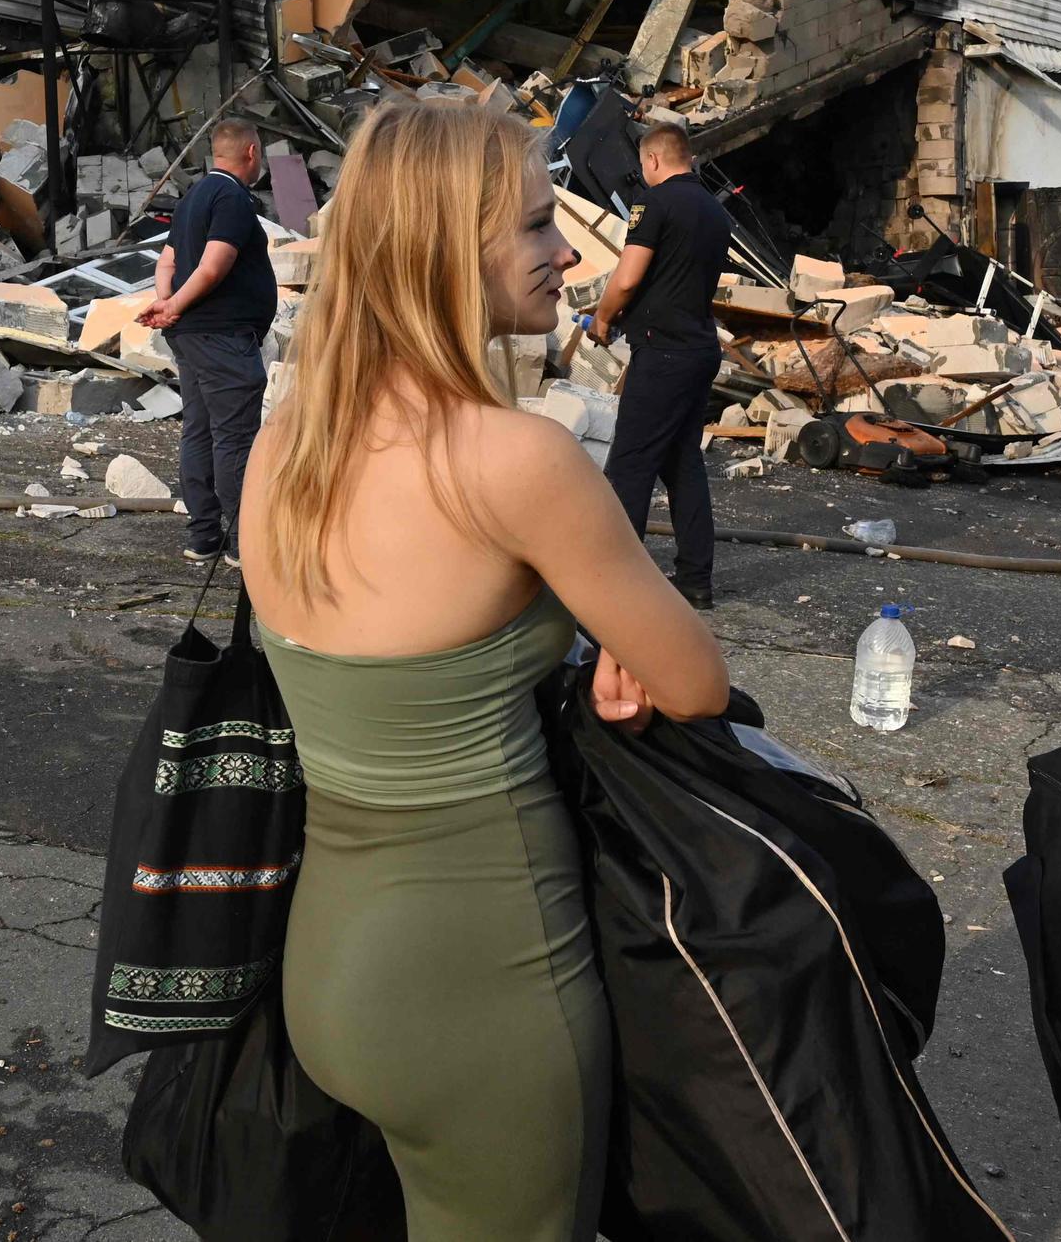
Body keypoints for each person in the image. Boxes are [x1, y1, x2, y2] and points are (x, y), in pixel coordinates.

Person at [238, 98, 729, 1242]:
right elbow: (694, 682)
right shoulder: (516, 461)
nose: (566, 252)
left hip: (331, 969)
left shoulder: (282, 446)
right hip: (486, 977)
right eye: (534, 226)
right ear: (444, 251)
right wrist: (600, 638)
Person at [587, 122, 736, 609]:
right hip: (699, 349)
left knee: (630, 465)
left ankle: (618, 586)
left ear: (652, 160)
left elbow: (628, 279)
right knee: (682, 462)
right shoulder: (716, 212)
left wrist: (603, 319)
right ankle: (695, 580)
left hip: (663, 351)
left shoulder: (653, 205)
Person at [140, 120, 276, 568]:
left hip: (192, 337)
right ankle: (242, 545)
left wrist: (166, 304)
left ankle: (203, 537)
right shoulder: (233, 197)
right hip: (222, 337)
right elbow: (215, 266)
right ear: (251, 152)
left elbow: (167, 261)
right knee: (235, 438)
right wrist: (174, 303)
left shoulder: (192, 197)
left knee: (199, 431)